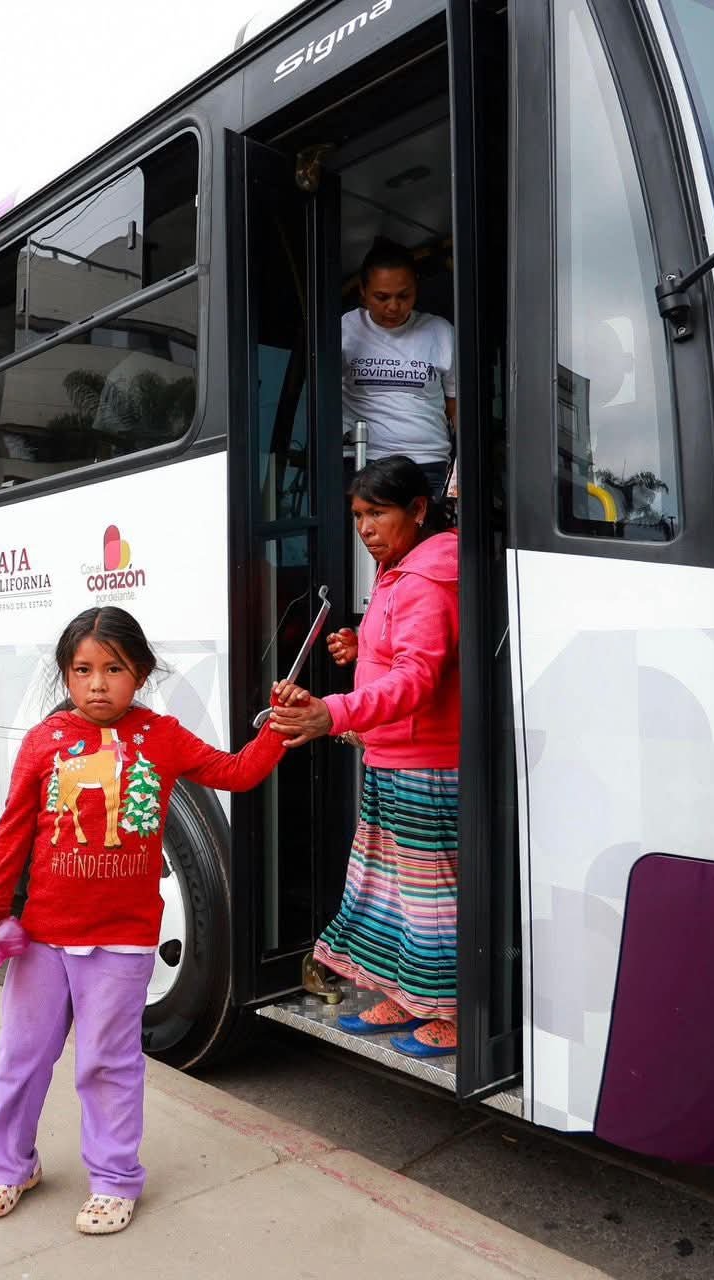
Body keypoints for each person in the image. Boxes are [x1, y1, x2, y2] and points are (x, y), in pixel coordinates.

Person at [0, 606, 288, 1234]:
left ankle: (115, 1181)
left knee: (107, 1063)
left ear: (139, 673)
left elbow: (236, 772)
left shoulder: (162, 738)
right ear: (66, 675)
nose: (96, 683)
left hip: (121, 943)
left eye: (113, 669)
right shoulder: (43, 742)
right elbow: (14, 829)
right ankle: (10, 1165)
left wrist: (277, 728)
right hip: (41, 940)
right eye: (82, 669)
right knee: (22, 1059)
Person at [270, 456, 461, 1058]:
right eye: (358, 515)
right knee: (393, 892)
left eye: (378, 513)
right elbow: (403, 654)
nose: (365, 527)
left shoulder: (427, 580)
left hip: (425, 763)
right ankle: (410, 997)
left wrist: (335, 711)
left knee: (430, 899)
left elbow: (419, 680)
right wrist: (362, 646)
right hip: (394, 756)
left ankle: (452, 1014)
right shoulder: (400, 574)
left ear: (419, 510)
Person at [342, 238, 458, 497]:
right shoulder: (345, 330)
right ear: (362, 290)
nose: (393, 306)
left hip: (428, 464)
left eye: (404, 296)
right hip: (366, 462)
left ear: (416, 289)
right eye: (382, 297)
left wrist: (464, 461)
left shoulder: (440, 332)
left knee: (430, 538)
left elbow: (455, 405)